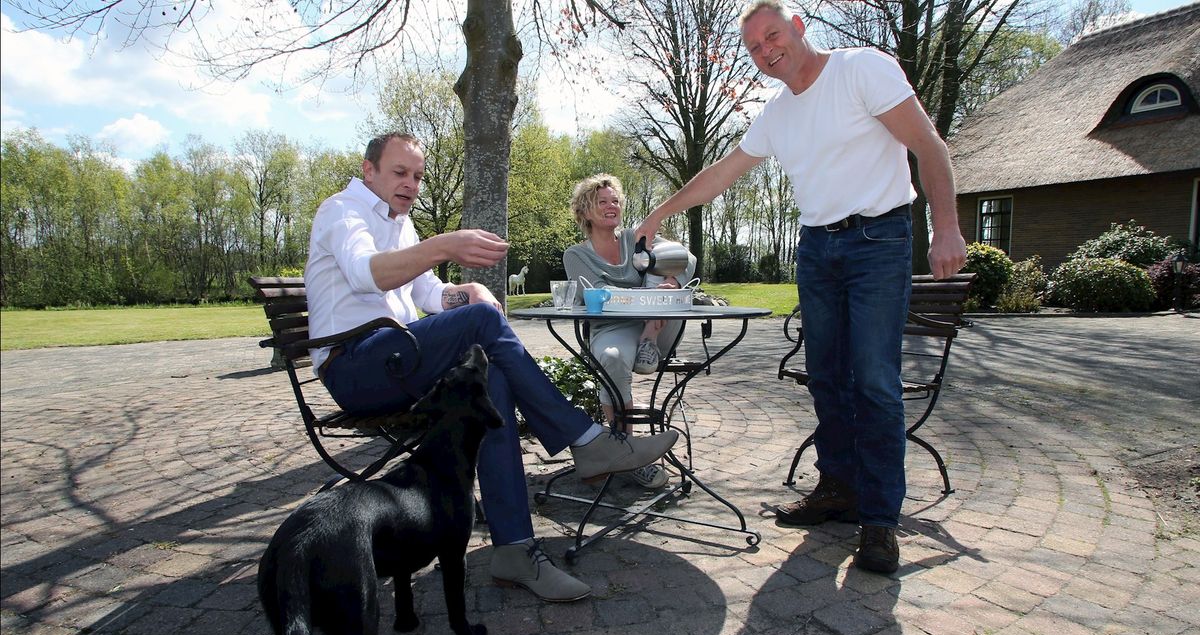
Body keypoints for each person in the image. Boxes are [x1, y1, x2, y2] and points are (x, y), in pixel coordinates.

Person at [635, 1, 967, 575]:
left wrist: (946, 228)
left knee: (876, 382)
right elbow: (721, 174)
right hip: (817, 250)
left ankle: (881, 522)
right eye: (755, 47)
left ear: (798, 27)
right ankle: (838, 488)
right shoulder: (777, 115)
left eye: (772, 35)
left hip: (879, 242)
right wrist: (659, 213)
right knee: (828, 377)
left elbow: (929, 148)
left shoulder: (862, 69)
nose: (766, 50)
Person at [305, 132, 679, 601]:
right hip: (356, 366)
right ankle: (588, 440)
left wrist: (469, 293)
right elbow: (366, 273)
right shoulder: (343, 211)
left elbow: (428, 296)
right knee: (481, 324)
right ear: (369, 170)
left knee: (494, 381)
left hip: (398, 359)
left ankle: (515, 550)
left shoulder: (401, 224)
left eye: (418, 176)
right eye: (400, 173)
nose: (411, 184)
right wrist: (445, 246)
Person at [563, 174, 698, 490]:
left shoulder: (635, 237)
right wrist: (645, 300)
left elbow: (686, 259)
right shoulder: (575, 255)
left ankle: (649, 340)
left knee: (662, 264)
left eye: (615, 201)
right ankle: (629, 454)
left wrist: (673, 284)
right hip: (613, 326)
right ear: (584, 212)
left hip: (654, 324)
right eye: (602, 202)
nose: (612, 207)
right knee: (611, 359)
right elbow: (598, 295)